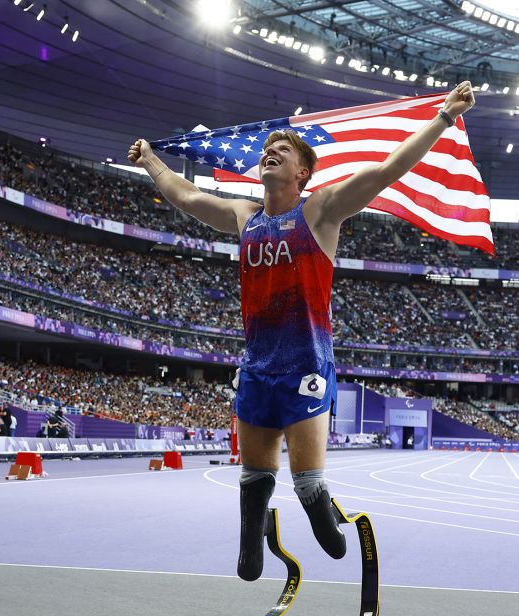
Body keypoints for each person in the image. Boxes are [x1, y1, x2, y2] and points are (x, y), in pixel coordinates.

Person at [128, 82, 476, 581]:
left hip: (307, 365)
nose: (270, 152)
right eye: (268, 149)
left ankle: (325, 525)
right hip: (258, 366)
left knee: (308, 484)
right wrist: (150, 162)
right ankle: (251, 546)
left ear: (302, 172)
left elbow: (386, 171)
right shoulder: (244, 217)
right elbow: (187, 196)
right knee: (255, 475)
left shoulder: (320, 211)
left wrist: (443, 118)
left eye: (282, 150)